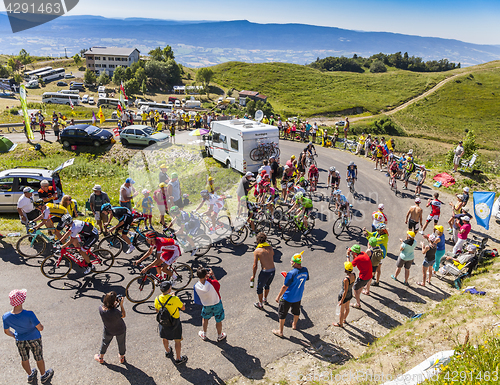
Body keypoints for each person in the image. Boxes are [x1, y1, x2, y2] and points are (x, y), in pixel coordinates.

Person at [3, 289, 54, 384]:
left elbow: (6, 331)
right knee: (38, 357)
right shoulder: (29, 314)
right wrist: (41, 326)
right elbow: (40, 328)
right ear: (22, 301)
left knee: (24, 358)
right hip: (34, 338)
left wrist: (15, 336)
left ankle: (30, 375)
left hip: (20, 340)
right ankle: (43, 375)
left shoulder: (6, 317)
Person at [272, 252, 309, 338]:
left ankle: (280, 331)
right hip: (298, 296)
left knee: (282, 314)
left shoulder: (291, 273)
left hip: (288, 297)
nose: (290, 262)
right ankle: (294, 325)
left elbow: (285, 286)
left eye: (292, 261)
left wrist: (278, 297)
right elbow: (303, 279)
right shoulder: (305, 270)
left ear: (296, 263)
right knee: (296, 311)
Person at [154, 281, 187, 365]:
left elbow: (157, 310)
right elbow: (183, 308)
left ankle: (167, 351)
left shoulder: (157, 299)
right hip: (174, 321)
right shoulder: (175, 299)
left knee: (164, 338)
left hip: (163, 322)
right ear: (169, 289)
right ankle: (178, 358)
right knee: (177, 340)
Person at [193, 267, 227, 342]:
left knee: (205, 318)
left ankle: (204, 334)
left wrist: (206, 278)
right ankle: (219, 335)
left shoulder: (196, 286)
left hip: (206, 305)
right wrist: (213, 276)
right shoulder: (212, 283)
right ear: (206, 275)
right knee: (218, 320)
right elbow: (218, 285)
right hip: (216, 303)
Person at [95, 291, 126, 365]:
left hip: (108, 330)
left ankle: (101, 357)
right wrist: (121, 305)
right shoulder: (116, 311)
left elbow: (109, 309)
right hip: (120, 329)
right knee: (121, 343)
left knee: (105, 343)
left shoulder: (100, 308)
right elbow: (123, 315)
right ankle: (122, 357)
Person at [251, 232, 275, 309]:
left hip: (265, 272)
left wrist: (253, 276)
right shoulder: (270, 248)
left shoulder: (257, 251)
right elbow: (272, 254)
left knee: (259, 288)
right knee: (267, 285)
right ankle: (265, 299)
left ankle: (260, 304)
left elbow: (255, 265)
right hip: (273, 270)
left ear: (257, 240)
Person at [346, 245, 372, 309]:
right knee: (361, 286)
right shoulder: (363, 253)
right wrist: (350, 249)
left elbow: (349, 266)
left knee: (355, 288)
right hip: (369, 275)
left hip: (363, 277)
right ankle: (357, 295)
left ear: (354, 252)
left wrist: (348, 256)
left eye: (352, 251)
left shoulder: (358, 258)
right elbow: (356, 259)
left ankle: (358, 304)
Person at [333, 261, 355, 328]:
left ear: (345, 270)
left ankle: (340, 323)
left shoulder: (346, 279)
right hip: (350, 293)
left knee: (341, 311)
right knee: (347, 308)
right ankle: (344, 319)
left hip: (344, 295)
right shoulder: (354, 275)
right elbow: (352, 284)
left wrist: (341, 301)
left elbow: (345, 291)